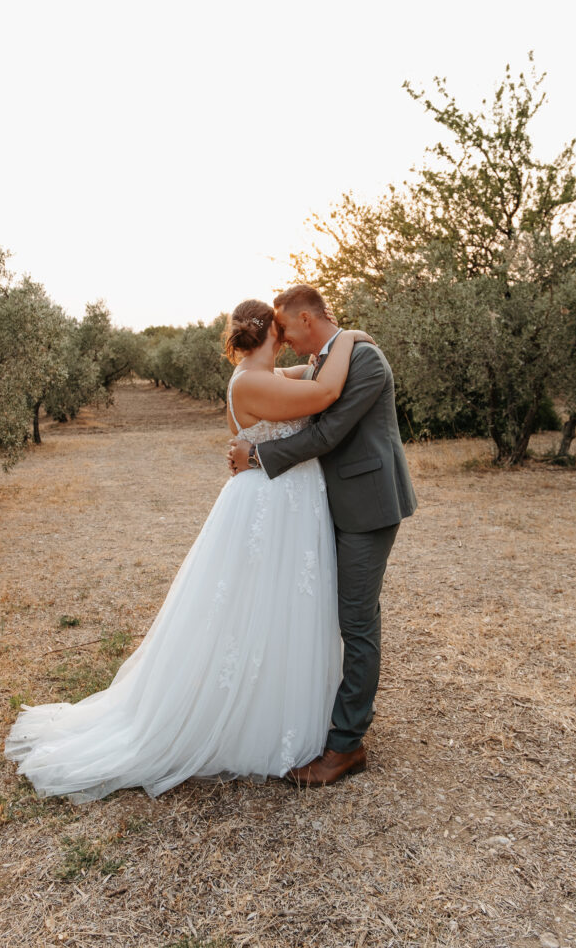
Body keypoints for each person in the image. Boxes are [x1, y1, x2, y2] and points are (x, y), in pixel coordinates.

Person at [4, 299, 372, 802]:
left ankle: (280, 707)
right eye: (281, 330)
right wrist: (349, 337)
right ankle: (244, 718)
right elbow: (326, 391)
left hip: (285, 503)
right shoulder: (250, 382)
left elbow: (308, 370)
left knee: (277, 607)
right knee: (253, 609)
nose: (287, 338)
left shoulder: (260, 372)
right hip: (272, 505)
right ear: (271, 333)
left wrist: (327, 348)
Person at [229, 284, 417, 787]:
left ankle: (346, 745)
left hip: (368, 507)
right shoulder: (322, 361)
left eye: (287, 328)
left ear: (307, 320)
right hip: (330, 505)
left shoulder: (366, 361)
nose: (285, 339)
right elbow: (282, 388)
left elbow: (328, 432)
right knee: (328, 614)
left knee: (356, 620)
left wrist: (259, 456)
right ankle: (324, 716)